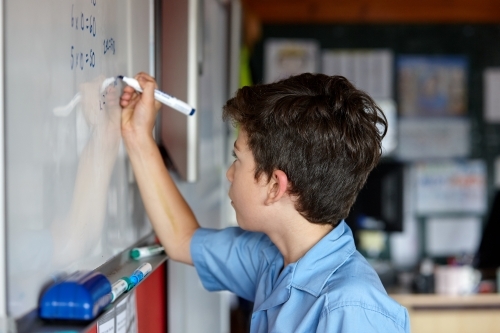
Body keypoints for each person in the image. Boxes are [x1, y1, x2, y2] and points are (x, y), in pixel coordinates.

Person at [120, 72, 410, 333]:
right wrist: (137, 135)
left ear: (275, 186)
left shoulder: (352, 310)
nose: (230, 173)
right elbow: (182, 239)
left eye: (238, 159)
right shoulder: (271, 258)